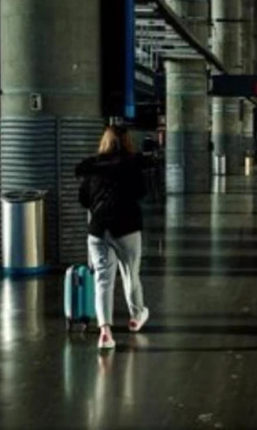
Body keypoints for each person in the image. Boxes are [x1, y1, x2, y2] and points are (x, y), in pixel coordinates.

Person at [76, 125, 150, 349]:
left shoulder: (93, 167)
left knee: (103, 280)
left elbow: (84, 199)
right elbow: (141, 192)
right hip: (126, 226)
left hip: (98, 229)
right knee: (130, 274)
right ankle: (136, 316)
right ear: (127, 142)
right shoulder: (132, 165)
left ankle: (105, 333)